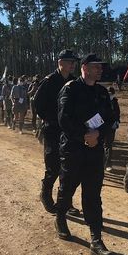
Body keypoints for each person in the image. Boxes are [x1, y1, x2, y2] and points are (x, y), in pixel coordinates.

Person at [55, 54, 115, 255]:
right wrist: (83, 136)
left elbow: (110, 118)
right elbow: (63, 119)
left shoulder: (101, 92)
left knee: (93, 193)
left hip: (95, 149)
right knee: (68, 187)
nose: (100, 70)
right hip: (73, 148)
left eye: (101, 67)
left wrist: (98, 135)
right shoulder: (70, 89)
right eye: (96, 67)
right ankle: (61, 218)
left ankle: (96, 239)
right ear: (85, 68)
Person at [34, 49, 80, 215]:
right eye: (70, 62)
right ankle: (45, 195)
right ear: (60, 63)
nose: (73, 64)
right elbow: (37, 103)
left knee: (68, 169)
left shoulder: (74, 82)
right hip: (52, 130)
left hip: (68, 131)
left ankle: (66, 202)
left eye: (74, 62)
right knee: (53, 166)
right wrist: (49, 119)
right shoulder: (50, 81)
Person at [104, 86, 120, 172]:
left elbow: (117, 112)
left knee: (109, 145)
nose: (110, 95)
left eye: (112, 94)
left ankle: (108, 163)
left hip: (111, 127)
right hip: (103, 126)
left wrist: (117, 121)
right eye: (109, 94)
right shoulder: (102, 101)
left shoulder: (115, 102)